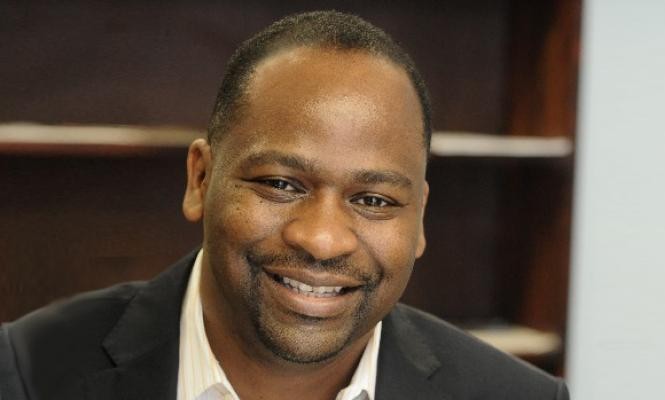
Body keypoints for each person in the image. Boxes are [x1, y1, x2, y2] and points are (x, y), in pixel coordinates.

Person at [0, 11, 569, 400]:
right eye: (281, 185)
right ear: (201, 178)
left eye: (373, 199)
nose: (322, 239)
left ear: (419, 216)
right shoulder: (27, 372)